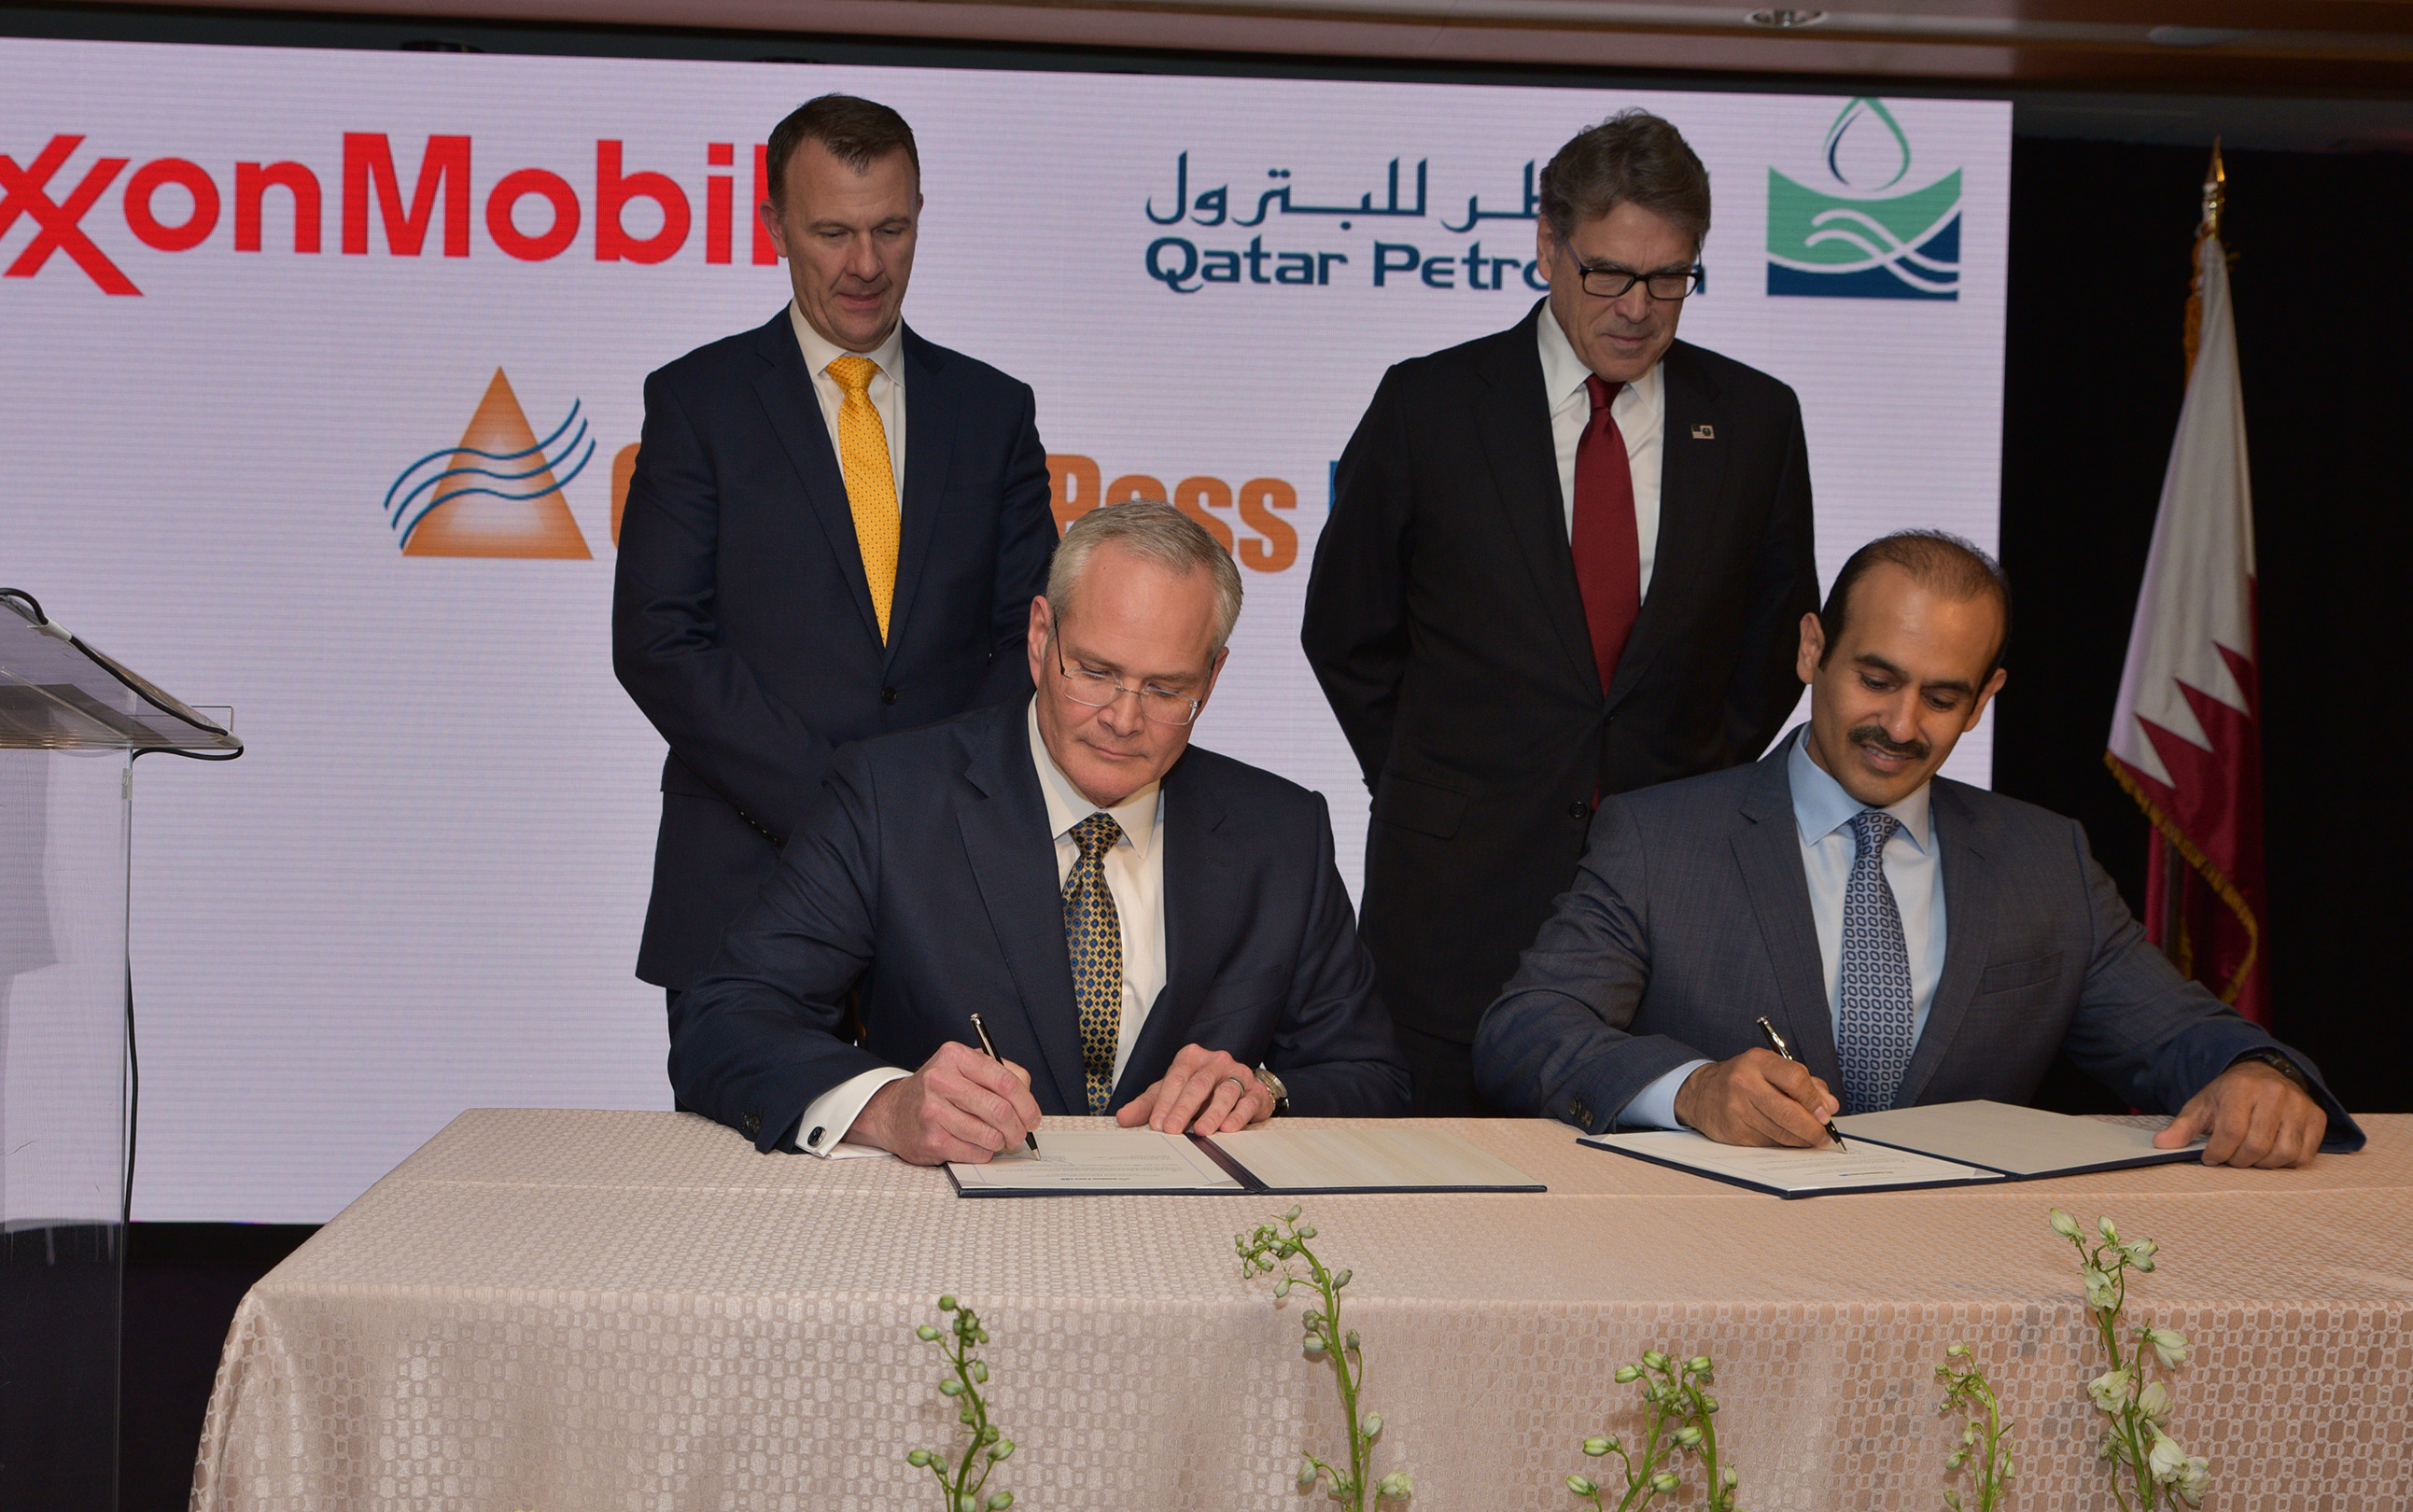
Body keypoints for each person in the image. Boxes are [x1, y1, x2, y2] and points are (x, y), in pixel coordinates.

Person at [1473, 531, 2359, 1168]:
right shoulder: (1661, 837)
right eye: (1877, 679)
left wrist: (2259, 1072)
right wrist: (1691, 1090)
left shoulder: (2044, 859)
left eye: (1942, 697)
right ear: (1813, 649)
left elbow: (2178, 1035)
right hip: (1720, 1284)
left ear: (1985, 699)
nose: (1900, 726)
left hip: (1972, 1307)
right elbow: (1526, 1032)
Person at [1302, 109, 1818, 1115]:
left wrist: (1687, 787)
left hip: (1670, 910)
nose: (1638, 307)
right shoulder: (1430, 405)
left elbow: (1773, 641)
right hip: (1454, 904)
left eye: (1670, 277)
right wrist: (1433, 780)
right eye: (1609, 273)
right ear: (1547, 245)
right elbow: (1346, 630)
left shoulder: (1757, 420)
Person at [672, 502, 1411, 1162]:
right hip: (943, 1255)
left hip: (1202, 1259)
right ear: (1038, 639)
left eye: (1165, 689)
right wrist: (888, 1108)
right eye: (1094, 672)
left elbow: (1371, 1076)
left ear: (1212, 679)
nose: (1124, 719)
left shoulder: (1283, 833)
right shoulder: (892, 798)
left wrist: (1266, 1090)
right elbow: (725, 1022)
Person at [614, 94, 1055, 1029]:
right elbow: (660, 642)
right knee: (743, 1178)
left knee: (950, 1174)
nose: (866, 266)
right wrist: (853, 812)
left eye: (890, 229)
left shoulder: (993, 412)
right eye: (833, 232)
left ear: (920, 216)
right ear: (773, 224)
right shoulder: (699, 402)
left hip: (950, 905)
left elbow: (1029, 634)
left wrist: (925, 815)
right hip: (744, 899)